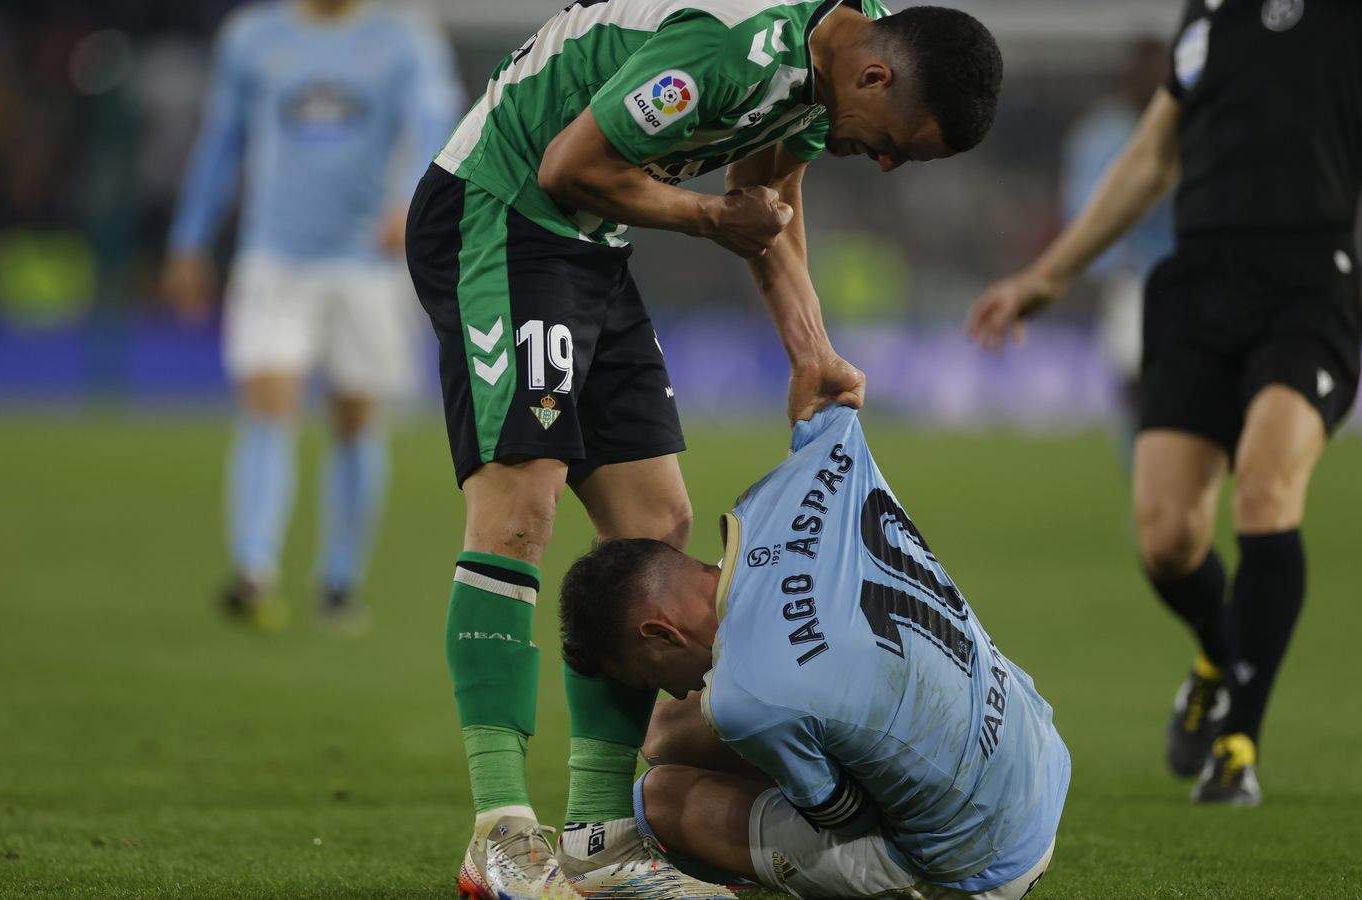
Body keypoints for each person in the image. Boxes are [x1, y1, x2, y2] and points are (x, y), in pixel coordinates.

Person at [404, 1, 1002, 897]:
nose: (881, 160)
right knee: (520, 503)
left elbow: (771, 198)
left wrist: (811, 352)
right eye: (894, 143)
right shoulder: (728, 49)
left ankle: (600, 837)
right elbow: (574, 164)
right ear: (876, 76)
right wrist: (705, 216)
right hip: (501, 209)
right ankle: (499, 830)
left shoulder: (829, 68)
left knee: (655, 521)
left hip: (584, 242)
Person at [966, 0, 1362, 805]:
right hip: (1197, 288)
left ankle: (1238, 741)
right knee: (1167, 538)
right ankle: (1217, 648)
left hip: (1305, 288)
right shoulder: (1205, 16)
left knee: (1268, 491)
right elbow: (1148, 160)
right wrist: (1048, 276)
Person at [556, 405, 1069, 899]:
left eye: (652, 677)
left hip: (983, 867)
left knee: (660, 796)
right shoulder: (792, 482)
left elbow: (847, 819)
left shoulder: (747, 697)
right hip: (1039, 754)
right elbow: (836, 407)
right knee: (668, 731)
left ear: (660, 634)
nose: (675, 689)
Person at [165, 0, 462, 630]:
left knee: (355, 418)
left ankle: (338, 581)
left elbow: (436, 125)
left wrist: (412, 200)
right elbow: (222, 141)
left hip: (366, 263)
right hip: (274, 257)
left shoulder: (405, 39)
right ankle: (253, 571)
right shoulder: (252, 36)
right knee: (267, 400)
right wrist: (189, 239)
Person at [1059, 37, 1172, 460]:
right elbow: (1082, 210)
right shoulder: (1099, 136)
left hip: (1194, 274)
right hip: (1133, 277)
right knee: (1134, 384)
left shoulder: (1193, 123)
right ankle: (1142, 472)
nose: (1147, 81)